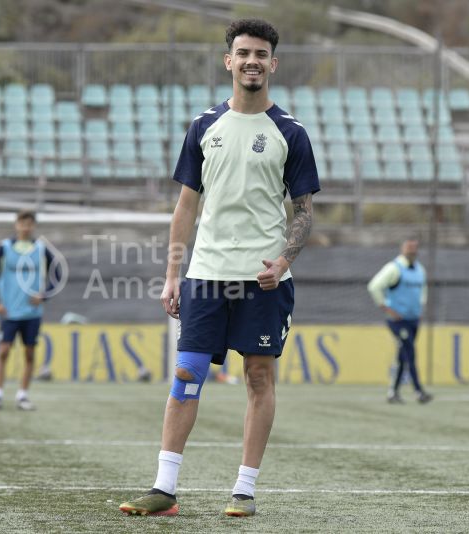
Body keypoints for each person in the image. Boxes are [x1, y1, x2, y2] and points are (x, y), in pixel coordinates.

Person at [119, 19, 319, 518]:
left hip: (263, 280)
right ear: (228, 61)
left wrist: (284, 259)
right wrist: (172, 274)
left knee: (257, 379)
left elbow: (305, 212)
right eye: (243, 52)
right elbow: (186, 206)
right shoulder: (203, 127)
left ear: (273, 63)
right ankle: (164, 489)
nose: (252, 61)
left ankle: (244, 490)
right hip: (205, 275)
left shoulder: (290, 133)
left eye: (261, 54)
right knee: (186, 375)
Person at [0, 209, 60, 411]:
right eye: (22, 223)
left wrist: (44, 295)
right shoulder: (4, 247)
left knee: (29, 353)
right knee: (3, 351)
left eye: (29, 223)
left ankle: (22, 395)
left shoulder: (41, 248)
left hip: (32, 312)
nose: (25, 227)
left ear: (33, 226)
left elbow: (58, 274)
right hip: (8, 311)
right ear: (16, 224)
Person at [367, 238, 433, 405]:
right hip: (398, 321)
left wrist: (420, 309)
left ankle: (393, 393)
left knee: (403, 355)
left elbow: (423, 290)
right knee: (410, 352)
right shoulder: (394, 268)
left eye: (414, 247)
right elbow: (374, 286)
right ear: (402, 249)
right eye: (409, 247)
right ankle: (418, 391)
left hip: (413, 320)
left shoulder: (420, 270)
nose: (412, 251)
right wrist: (387, 308)